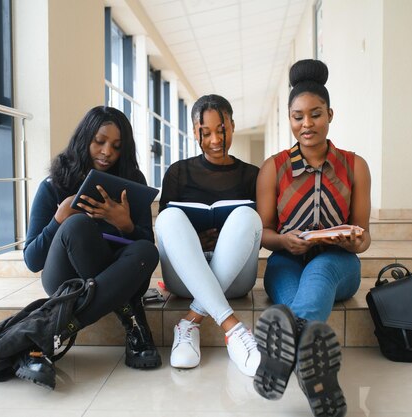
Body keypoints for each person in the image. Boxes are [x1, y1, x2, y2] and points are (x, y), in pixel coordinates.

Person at [253, 59, 371, 417]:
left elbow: (365, 236)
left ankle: (283, 359)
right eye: (298, 116)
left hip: (339, 264)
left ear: (330, 114)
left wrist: (354, 241)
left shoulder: (355, 165)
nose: (307, 124)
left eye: (315, 114)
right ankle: (313, 374)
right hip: (286, 259)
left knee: (318, 273)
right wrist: (285, 242)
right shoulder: (273, 168)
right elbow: (264, 234)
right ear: (289, 118)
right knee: (291, 303)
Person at [22, 106, 161, 389]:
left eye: (117, 146)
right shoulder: (52, 186)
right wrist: (58, 219)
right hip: (66, 280)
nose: (107, 151)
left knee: (147, 250)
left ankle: (55, 332)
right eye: (100, 141)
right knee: (77, 226)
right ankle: (133, 321)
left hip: (116, 270)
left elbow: (145, 242)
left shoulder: (133, 183)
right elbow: (32, 259)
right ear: (84, 139)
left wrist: (126, 225)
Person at [154, 94, 262, 376]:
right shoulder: (178, 172)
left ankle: (189, 322)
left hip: (236, 278)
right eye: (206, 132)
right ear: (194, 132)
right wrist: (195, 239)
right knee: (168, 217)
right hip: (183, 279)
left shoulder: (253, 175)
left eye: (221, 129)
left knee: (247, 216)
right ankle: (233, 329)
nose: (215, 139)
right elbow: (168, 232)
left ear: (233, 125)